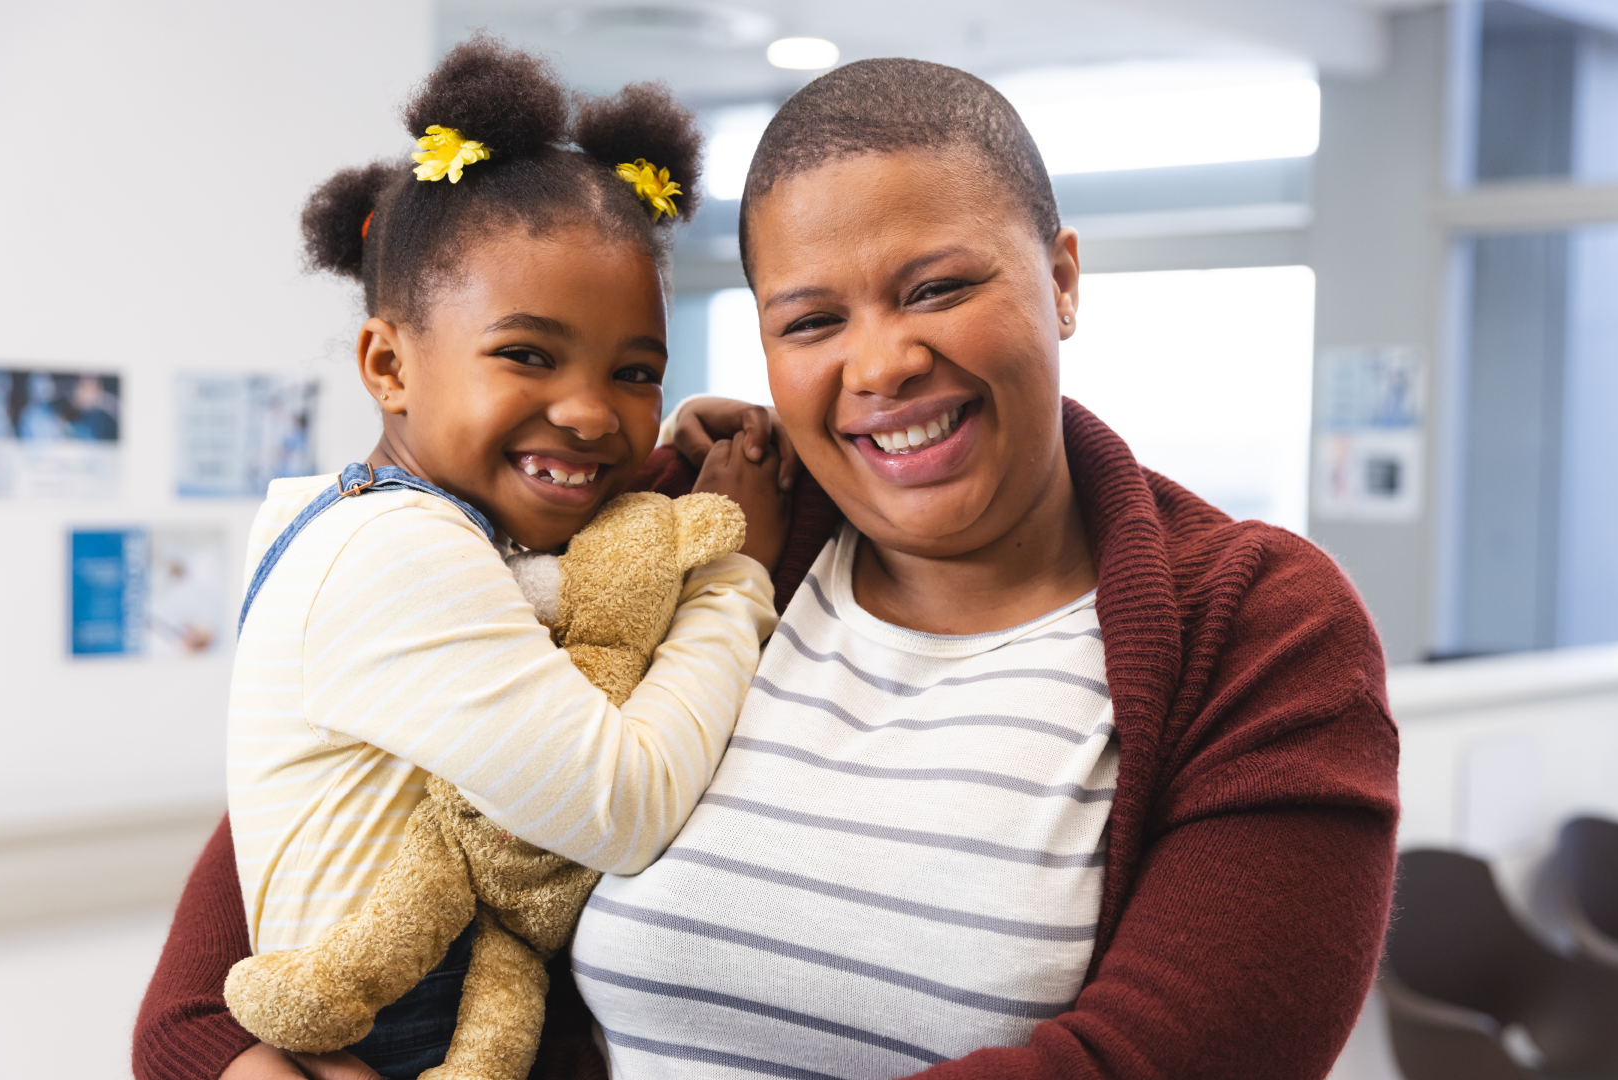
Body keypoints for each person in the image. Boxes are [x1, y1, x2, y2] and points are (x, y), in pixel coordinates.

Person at [136, 57, 1398, 1080]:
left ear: (1061, 280)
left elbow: (1158, 1063)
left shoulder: (1256, 629)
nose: (883, 361)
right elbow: (228, 960)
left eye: (939, 287)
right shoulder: (679, 534)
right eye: (811, 319)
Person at [187, 38, 786, 1080]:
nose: (592, 411)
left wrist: (671, 466)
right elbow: (626, 805)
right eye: (527, 353)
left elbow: (548, 596)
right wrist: (737, 574)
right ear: (388, 363)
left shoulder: (390, 523)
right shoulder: (392, 555)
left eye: (635, 370)